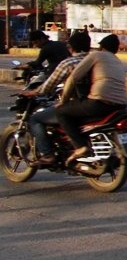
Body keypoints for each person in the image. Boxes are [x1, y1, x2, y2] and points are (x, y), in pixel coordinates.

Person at [20, 30, 92, 165]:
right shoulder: (94, 60)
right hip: (94, 102)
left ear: (72, 47)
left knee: (35, 119)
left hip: (77, 104)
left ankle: (48, 155)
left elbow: (49, 85)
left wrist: (34, 92)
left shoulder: (69, 62)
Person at [56, 34, 127, 163]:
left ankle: (80, 146)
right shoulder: (118, 61)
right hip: (120, 105)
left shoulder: (96, 55)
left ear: (101, 47)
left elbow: (73, 78)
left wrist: (63, 101)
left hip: (99, 102)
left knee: (61, 111)